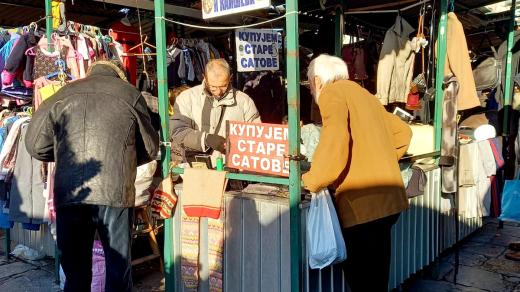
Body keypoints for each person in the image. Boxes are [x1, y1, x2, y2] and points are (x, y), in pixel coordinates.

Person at [25, 60, 159, 292]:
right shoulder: (129, 93)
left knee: (76, 274)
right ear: (119, 74)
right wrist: (123, 159)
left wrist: (62, 154)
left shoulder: (62, 93)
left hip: (71, 191)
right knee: (118, 271)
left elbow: (35, 145)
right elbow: (150, 148)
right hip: (115, 193)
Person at [302, 54, 412, 292]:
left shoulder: (331, 94)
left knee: (362, 281)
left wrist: (311, 180)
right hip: (389, 203)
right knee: (377, 279)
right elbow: (403, 133)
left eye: (310, 82)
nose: (311, 89)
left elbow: (335, 142)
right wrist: (378, 161)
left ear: (318, 81)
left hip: (362, 207)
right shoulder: (363, 93)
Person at [171, 59, 260, 165]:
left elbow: (256, 134)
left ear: (230, 78)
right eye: (213, 87)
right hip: (195, 167)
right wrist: (206, 139)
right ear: (205, 77)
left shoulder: (244, 101)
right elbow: (178, 131)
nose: (218, 92)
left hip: (233, 167)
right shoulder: (186, 98)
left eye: (223, 86)